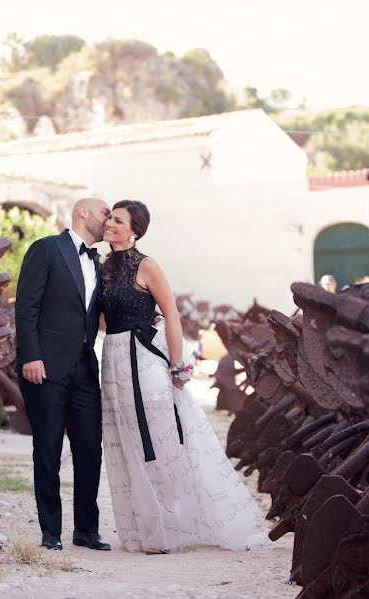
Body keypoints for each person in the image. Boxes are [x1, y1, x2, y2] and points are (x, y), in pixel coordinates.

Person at [100, 200, 261, 554]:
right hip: (113, 361)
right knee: (127, 442)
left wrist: (177, 364)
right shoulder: (104, 268)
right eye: (109, 217)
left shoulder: (148, 266)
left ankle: (173, 527)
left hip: (145, 361)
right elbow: (101, 321)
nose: (109, 223)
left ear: (134, 231)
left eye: (117, 220)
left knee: (161, 442)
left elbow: (171, 315)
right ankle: (146, 528)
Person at [14, 197, 113, 551]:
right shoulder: (47, 249)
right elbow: (27, 308)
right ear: (83, 212)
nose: (109, 220)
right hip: (45, 367)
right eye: (105, 213)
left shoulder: (99, 262)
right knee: (48, 450)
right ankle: (50, 532)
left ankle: (86, 530)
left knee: (89, 450)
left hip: (85, 368)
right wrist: (31, 355)